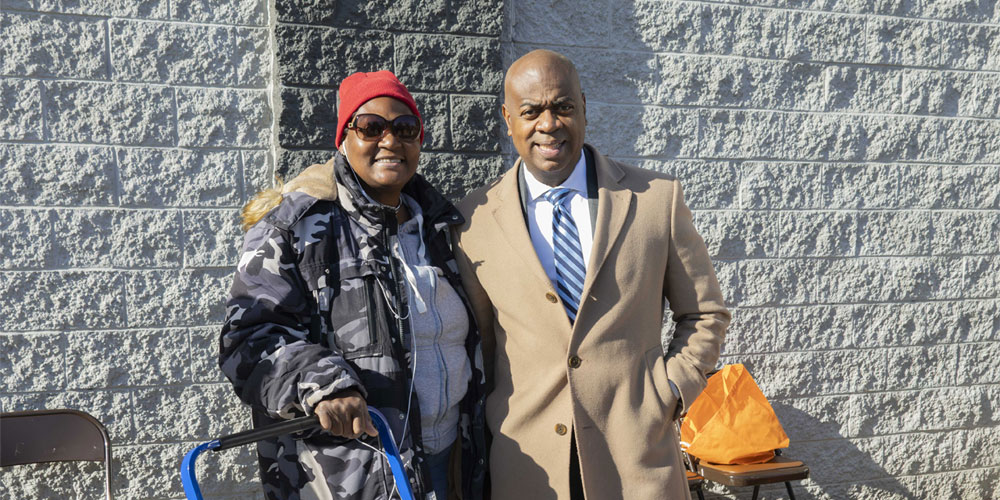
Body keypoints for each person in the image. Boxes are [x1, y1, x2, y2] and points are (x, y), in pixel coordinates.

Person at [453, 50, 730, 499]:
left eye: (562, 107)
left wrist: (672, 390)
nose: (549, 124)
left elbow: (705, 313)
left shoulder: (655, 200)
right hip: (530, 466)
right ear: (507, 119)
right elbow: (483, 343)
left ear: (583, 107)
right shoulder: (474, 221)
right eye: (531, 111)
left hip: (636, 458)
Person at [220, 70, 487, 500]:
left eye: (405, 128)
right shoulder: (296, 226)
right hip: (351, 478)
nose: (390, 140)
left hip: (447, 465)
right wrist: (325, 383)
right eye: (371, 127)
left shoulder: (440, 227)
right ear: (344, 137)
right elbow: (248, 339)